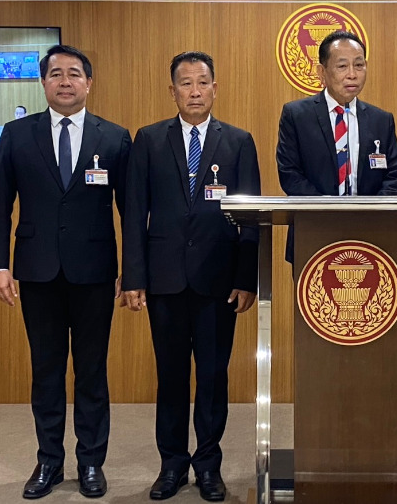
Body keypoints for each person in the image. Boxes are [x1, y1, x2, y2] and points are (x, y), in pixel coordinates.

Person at [0, 45, 131, 499]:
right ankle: (48, 461)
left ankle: (91, 462)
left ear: (89, 83)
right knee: (46, 371)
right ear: (43, 82)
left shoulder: (115, 137)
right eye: (56, 74)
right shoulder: (16, 134)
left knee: (91, 372)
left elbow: (131, 210)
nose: (65, 81)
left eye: (74, 74)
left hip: (95, 273)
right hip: (37, 271)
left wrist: (133, 271)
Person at [122, 51, 260, 502]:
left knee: (214, 377)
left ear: (215, 88)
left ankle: (208, 466)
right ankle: (172, 466)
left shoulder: (238, 141)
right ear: (173, 91)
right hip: (164, 280)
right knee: (171, 376)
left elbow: (251, 218)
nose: (195, 91)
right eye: (186, 83)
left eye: (203, 83)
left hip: (219, 282)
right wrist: (133, 277)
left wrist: (247, 278)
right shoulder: (148, 140)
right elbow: (133, 213)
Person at [276, 30, 397, 262]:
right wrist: (329, 213)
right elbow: (290, 175)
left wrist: (371, 215)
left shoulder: (381, 120)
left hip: (371, 235)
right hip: (313, 232)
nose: (352, 74)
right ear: (322, 72)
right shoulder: (296, 115)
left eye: (359, 65)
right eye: (342, 66)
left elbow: (392, 177)